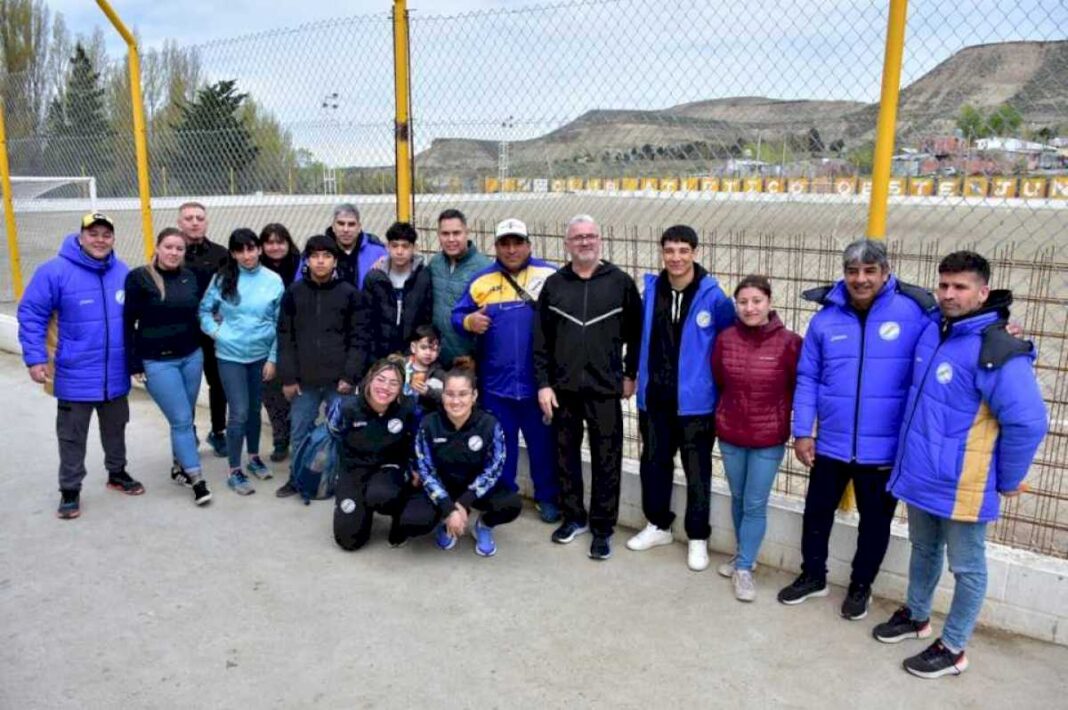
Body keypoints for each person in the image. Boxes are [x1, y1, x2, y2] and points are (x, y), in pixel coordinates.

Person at [872, 251, 1047, 678]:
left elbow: (1027, 422)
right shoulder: (935, 327)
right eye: (944, 285)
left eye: (960, 287)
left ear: (983, 292)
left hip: (965, 482)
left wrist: (1007, 479)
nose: (949, 295)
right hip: (920, 473)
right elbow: (904, 290)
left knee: (967, 567)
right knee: (924, 549)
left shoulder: (998, 348)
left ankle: (954, 648)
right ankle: (916, 615)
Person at [779, 238, 938, 618]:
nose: (860, 279)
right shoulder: (825, 319)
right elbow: (808, 378)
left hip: (883, 450)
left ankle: (860, 586)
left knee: (875, 523)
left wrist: (1005, 328)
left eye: (869, 271)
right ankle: (812, 576)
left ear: (885, 272)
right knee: (816, 514)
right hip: (831, 445)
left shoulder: (914, 314)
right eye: (853, 271)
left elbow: (954, 335)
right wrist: (803, 431)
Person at [17, 212, 142, 519]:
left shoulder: (122, 272)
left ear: (113, 239)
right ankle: (70, 490)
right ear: (81, 236)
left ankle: (117, 474)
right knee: (72, 436)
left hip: (114, 373)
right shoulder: (54, 271)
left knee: (116, 428)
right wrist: (35, 358)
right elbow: (31, 315)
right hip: (74, 373)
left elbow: (134, 320)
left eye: (106, 235)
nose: (100, 240)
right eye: (93, 233)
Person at [534, 214, 642, 560]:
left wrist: (630, 374)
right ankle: (574, 518)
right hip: (563, 389)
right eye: (577, 237)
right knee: (565, 457)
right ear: (567, 244)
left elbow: (637, 335)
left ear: (600, 240)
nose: (584, 242)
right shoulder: (554, 284)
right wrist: (543, 384)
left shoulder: (620, 282)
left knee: (606, 459)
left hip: (605, 388)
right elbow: (540, 342)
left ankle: (602, 528)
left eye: (590, 236)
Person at [628, 225, 735, 570]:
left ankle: (698, 537)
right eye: (669, 250)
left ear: (694, 252)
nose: (676, 258)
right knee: (654, 465)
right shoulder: (651, 291)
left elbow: (728, 344)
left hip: (696, 404)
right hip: (655, 399)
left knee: (697, 471)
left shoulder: (714, 297)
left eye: (683, 250)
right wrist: (633, 378)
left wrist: (719, 389)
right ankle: (659, 524)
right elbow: (635, 338)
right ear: (662, 253)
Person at [452, 218, 561, 523]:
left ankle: (547, 497)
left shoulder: (549, 275)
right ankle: (505, 497)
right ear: (496, 247)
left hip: (538, 385)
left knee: (543, 447)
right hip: (496, 387)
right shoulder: (481, 281)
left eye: (517, 243)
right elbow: (457, 315)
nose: (512, 250)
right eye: (505, 244)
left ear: (529, 244)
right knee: (503, 448)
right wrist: (468, 322)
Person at [712, 275, 802, 600]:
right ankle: (741, 556)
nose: (750, 308)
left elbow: (798, 387)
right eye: (743, 302)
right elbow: (720, 379)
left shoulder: (790, 342)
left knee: (754, 503)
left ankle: (745, 568)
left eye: (757, 301)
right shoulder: (725, 339)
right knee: (738, 498)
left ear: (770, 303)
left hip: (768, 437)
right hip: (731, 433)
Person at [274, 235, 369, 498]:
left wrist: (350, 376)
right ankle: (296, 479)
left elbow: (359, 339)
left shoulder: (349, 293)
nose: (320, 261)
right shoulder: (294, 293)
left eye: (326, 256)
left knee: (342, 432)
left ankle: (340, 481)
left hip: (339, 380)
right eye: (315, 256)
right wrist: (289, 377)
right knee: (300, 430)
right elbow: (285, 336)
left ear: (335, 260)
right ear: (307, 260)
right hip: (304, 380)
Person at [124, 227, 212, 506]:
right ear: (158, 248)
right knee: (182, 420)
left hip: (191, 356)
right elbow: (127, 324)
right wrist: (133, 362)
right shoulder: (139, 278)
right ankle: (197, 480)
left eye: (179, 249)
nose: (174, 253)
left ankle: (179, 466)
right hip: (158, 361)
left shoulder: (190, 277)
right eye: (169, 247)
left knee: (185, 418)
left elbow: (202, 313)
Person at [397, 367, 521, 556]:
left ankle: (483, 526)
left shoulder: (490, 424)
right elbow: (426, 471)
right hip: (442, 486)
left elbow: (494, 468)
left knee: (511, 503)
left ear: (474, 395)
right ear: (443, 395)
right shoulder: (428, 424)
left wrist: (462, 504)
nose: (456, 401)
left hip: (473, 487)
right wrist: (448, 508)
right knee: (413, 522)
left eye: (463, 394)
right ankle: (444, 522)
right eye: (450, 394)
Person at [198, 228, 284, 495]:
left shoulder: (273, 280)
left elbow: (281, 323)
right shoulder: (223, 278)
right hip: (230, 356)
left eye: (251, 249)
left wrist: (272, 358)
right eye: (240, 250)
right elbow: (204, 311)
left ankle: (254, 457)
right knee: (239, 413)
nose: (247, 255)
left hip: (261, 356)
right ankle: (235, 470)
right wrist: (217, 333)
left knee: (255, 410)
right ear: (233, 253)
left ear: (259, 249)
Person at [330, 357, 420, 550]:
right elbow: (334, 433)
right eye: (381, 379)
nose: (385, 387)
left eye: (393, 383)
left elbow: (417, 440)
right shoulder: (346, 407)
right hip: (354, 469)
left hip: (388, 467)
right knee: (348, 540)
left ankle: (399, 517)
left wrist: (414, 468)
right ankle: (362, 509)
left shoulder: (408, 408)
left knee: (381, 495)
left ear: (400, 389)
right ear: (369, 379)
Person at [179, 201, 230, 458]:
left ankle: (218, 432)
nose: (195, 222)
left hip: (212, 331)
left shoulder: (221, 254)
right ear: (180, 223)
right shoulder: (172, 252)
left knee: (218, 382)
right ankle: (187, 432)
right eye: (189, 218)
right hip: (183, 331)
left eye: (199, 217)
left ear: (206, 222)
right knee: (187, 385)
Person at [259, 222, 301, 462]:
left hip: (297, 336)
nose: (275, 247)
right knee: (272, 391)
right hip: (268, 339)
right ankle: (280, 439)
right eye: (269, 242)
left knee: (297, 393)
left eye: (280, 242)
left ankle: (297, 437)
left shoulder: (300, 265)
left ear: (288, 243)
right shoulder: (256, 270)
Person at [428, 209, 491, 366]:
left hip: (468, 361)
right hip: (436, 358)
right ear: (438, 235)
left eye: (456, 233)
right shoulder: (435, 264)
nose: (451, 239)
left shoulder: (484, 268)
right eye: (445, 234)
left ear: (467, 233)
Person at [362, 221, 433, 361]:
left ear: (414, 248)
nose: (399, 251)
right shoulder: (375, 277)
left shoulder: (423, 277)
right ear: (387, 247)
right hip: (379, 353)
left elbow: (427, 317)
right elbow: (366, 319)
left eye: (405, 246)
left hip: (412, 354)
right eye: (394, 246)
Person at [295, 203, 385, 290]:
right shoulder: (315, 252)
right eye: (341, 224)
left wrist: (387, 260)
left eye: (351, 224)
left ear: (359, 227)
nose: (346, 229)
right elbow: (299, 287)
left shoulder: (378, 252)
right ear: (333, 226)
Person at [404, 324, 447, 417]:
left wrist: (428, 392)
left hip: (424, 416)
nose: (428, 353)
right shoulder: (402, 365)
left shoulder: (439, 373)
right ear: (413, 347)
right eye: (423, 347)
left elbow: (446, 396)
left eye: (433, 349)